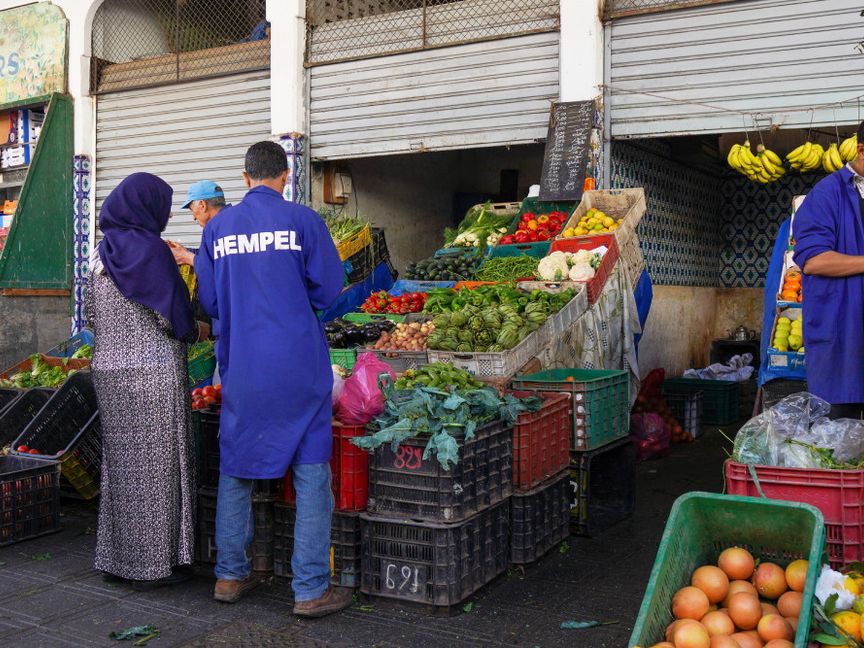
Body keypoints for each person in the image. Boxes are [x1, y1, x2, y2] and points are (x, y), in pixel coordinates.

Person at [195, 141, 348, 615]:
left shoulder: (217, 229)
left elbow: (211, 304)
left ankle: (229, 577)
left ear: (244, 179)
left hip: (241, 369)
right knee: (310, 474)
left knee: (236, 470)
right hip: (299, 368)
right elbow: (328, 289)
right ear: (285, 176)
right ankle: (309, 590)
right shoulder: (304, 222)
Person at [85, 172, 198, 588]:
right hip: (153, 372)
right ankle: (153, 567)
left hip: (109, 372)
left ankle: (119, 561)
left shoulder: (99, 255)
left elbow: (91, 317)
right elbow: (170, 315)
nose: (166, 215)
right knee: (158, 468)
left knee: (121, 468)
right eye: (163, 206)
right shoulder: (150, 250)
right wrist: (194, 329)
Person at [793, 120, 864, 419]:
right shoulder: (827, 193)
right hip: (844, 339)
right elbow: (813, 260)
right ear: (861, 149)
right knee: (838, 441)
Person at [168, 180, 229, 267]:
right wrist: (184, 251)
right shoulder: (227, 223)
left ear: (202, 205)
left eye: (192, 209)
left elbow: (217, 269)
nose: (194, 218)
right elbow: (210, 255)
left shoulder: (218, 228)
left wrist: (187, 257)